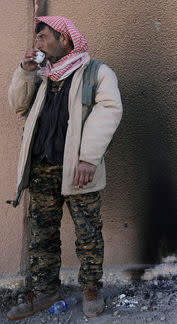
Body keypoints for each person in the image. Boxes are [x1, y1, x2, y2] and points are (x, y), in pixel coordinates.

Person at [7, 16, 122, 320]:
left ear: (65, 40)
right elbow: (19, 106)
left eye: (43, 37)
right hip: (42, 167)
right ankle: (45, 291)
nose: (38, 44)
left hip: (78, 169)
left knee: (88, 233)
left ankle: (91, 288)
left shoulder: (97, 72)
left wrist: (88, 158)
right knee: (41, 234)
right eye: (37, 39)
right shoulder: (45, 75)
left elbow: (109, 111)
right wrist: (25, 72)